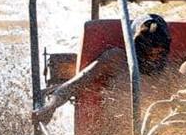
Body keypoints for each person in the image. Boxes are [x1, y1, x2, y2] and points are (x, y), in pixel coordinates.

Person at [32, 14, 176, 124]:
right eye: (149, 51)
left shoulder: (171, 71)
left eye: (159, 53)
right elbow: (75, 84)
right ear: (134, 46)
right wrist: (50, 107)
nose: (153, 58)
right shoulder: (116, 59)